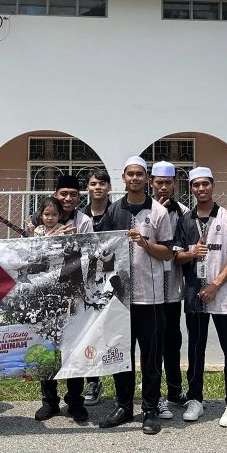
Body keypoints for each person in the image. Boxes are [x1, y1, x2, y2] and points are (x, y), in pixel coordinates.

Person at [97, 156, 173, 435]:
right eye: (130, 174)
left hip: (150, 297)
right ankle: (124, 405)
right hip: (119, 297)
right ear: (124, 178)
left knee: (152, 356)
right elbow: (100, 249)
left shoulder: (158, 212)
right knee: (121, 354)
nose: (135, 178)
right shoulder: (113, 210)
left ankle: (150, 408)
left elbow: (167, 252)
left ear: (147, 179)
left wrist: (144, 242)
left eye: (140, 174)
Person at [174, 166, 227, 427]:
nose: (201, 189)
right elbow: (177, 256)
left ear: (212, 185)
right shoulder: (185, 220)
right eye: (196, 185)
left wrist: (215, 284)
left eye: (205, 184)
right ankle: (195, 399)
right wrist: (192, 253)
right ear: (191, 188)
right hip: (194, 295)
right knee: (196, 349)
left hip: (223, 295)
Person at [33, 196, 89, 424]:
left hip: (70, 298)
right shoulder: (34, 234)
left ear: (60, 216)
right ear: (40, 216)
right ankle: (50, 401)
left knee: (73, 348)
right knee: (47, 349)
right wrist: (49, 239)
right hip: (45, 299)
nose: (50, 218)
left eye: (54, 214)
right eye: (46, 214)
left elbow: (83, 256)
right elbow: (31, 256)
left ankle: (75, 401)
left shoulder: (71, 231)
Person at [149, 160, 189, 418]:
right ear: (151, 182)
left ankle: (174, 388)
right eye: (159, 182)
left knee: (172, 339)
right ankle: (153, 393)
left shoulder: (183, 212)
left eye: (168, 182)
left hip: (172, 285)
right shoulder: (144, 208)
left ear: (174, 183)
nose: (163, 187)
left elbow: (184, 245)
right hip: (148, 287)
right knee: (152, 341)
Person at [78, 169, 112, 407]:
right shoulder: (79, 218)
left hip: (114, 279)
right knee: (90, 332)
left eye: (102, 183)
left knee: (114, 332)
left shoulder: (117, 212)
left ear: (109, 187)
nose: (97, 187)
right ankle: (93, 380)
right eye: (93, 183)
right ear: (87, 188)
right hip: (87, 282)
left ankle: (123, 381)